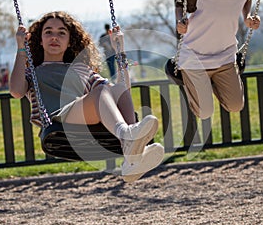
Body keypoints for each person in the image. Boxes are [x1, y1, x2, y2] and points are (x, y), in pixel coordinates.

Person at [10, 11, 164, 182]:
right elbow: (16, 91)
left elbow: (122, 91)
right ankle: (126, 136)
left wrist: (119, 50)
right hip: (58, 119)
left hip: (85, 115)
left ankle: (132, 159)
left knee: (116, 88)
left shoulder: (81, 69)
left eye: (61, 33)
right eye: (48, 32)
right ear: (40, 39)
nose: (55, 37)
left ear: (70, 41)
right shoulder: (33, 70)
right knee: (101, 91)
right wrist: (21, 48)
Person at [176, 0, 261, 120]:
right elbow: (180, 5)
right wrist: (181, 22)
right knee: (204, 113)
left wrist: (247, 17)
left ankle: (211, 83)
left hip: (225, 57)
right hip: (194, 58)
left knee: (236, 105)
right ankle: (181, 73)